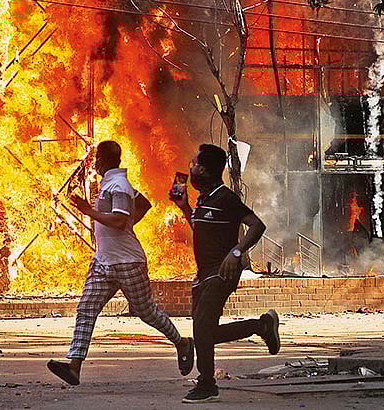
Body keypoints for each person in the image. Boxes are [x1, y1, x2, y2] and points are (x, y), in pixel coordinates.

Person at [47, 141, 195, 386]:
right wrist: (128, 225)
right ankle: (74, 365)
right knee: (86, 308)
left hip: (128, 262)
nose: (94, 163)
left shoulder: (119, 186)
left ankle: (182, 343)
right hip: (104, 262)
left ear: (103, 160)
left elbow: (117, 221)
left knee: (147, 312)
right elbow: (144, 204)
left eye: (96, 158)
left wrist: (88, 211)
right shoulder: (112, 183)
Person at [170, 143, 281, 404]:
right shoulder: (204, 199)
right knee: (205, 333)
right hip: (203, 274)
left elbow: (257, 225)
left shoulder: (226, 198)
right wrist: (185, 208)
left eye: (195, 165)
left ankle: (207, 384)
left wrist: (237, 253)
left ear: (207, 171)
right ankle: (262, 325)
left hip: (222, 272)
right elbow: (201, 229)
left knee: (201, 328)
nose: (191, 169)